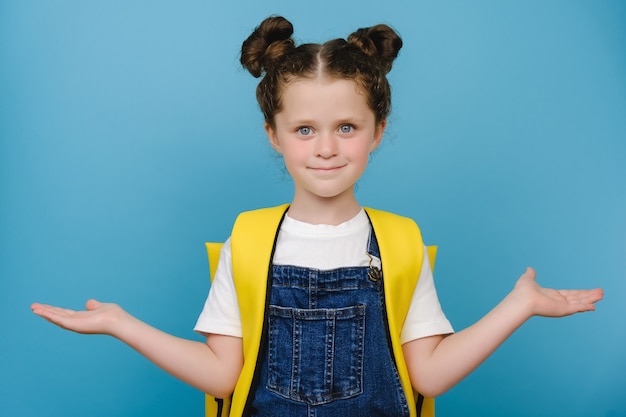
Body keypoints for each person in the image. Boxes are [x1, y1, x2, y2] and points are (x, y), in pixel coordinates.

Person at [31, 16, 604, 417]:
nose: (326, 147)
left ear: (377, 131)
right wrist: (121, 324)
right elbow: (222, 376)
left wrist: (519, 305)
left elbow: (427, 377)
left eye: (346, 128)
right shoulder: (250, 238)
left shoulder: (400, 241)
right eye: (305, 129)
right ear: (273, 136)